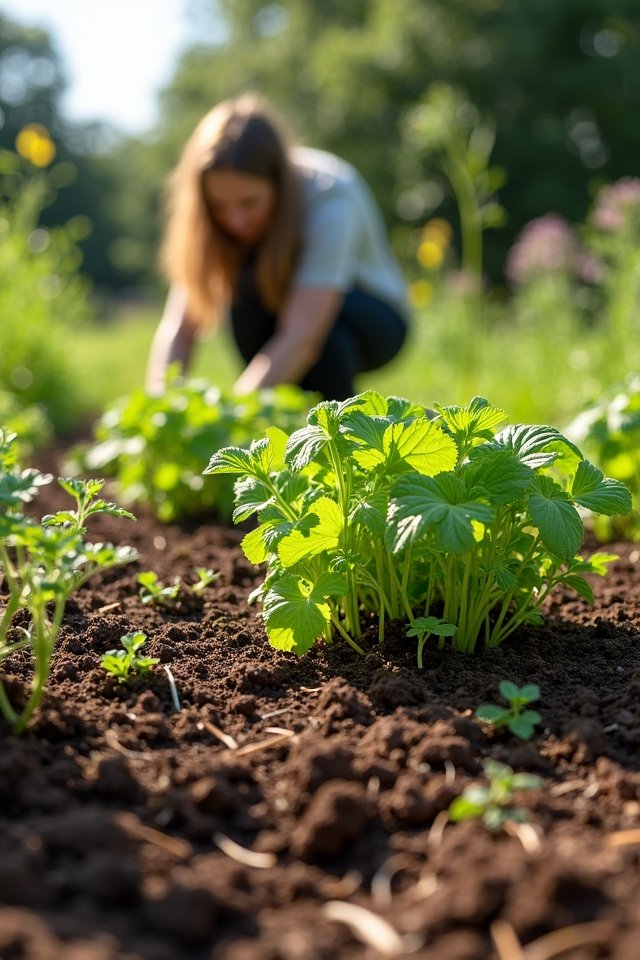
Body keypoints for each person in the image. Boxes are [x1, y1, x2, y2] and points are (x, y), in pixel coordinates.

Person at [146, 93, 410, 401]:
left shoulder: (330, 196)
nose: (235, 220)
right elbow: (179, 329)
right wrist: (159, 411)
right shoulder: (212, 224)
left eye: (249, 203)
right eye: (219, 206)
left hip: (370, 317)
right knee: (243, 291)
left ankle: (339, 434)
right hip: (284, 311)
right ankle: (281, 423)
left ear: (278, 184)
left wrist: (231, 421)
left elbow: (303, 337)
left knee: (327, 340)